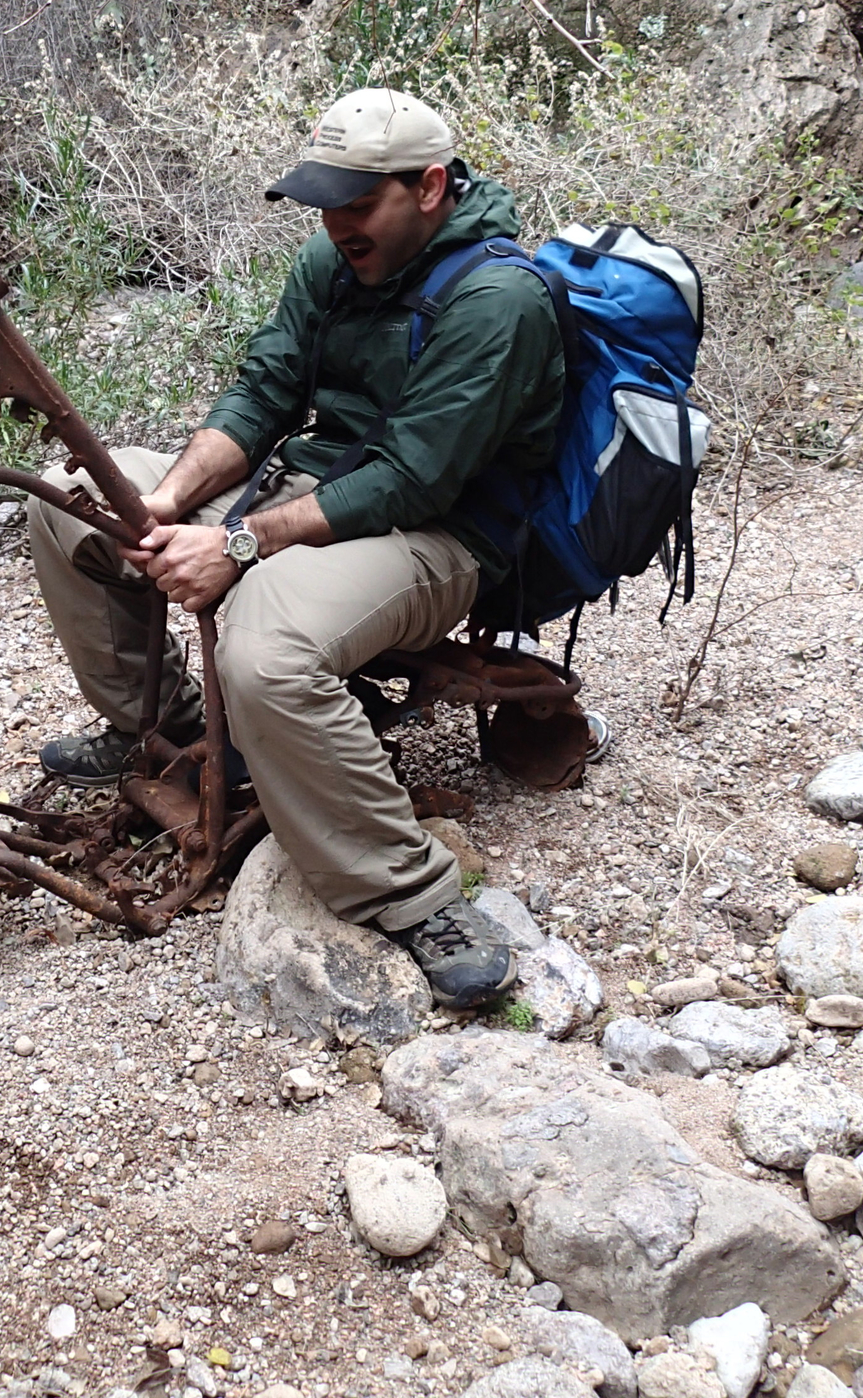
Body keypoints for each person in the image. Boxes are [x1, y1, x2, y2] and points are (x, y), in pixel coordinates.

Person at [28, 88, 566, 1007]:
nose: (335, 223)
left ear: (430, 186)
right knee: (71, 501)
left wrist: (235, 544)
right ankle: (168, 728)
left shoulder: (500, 301)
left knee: (269, 647)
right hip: (314, 491)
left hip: (438, 535)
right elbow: (263, 392)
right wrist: (161, 501)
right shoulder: (336, 259)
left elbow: (411, 480)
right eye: (326, 201)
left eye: (357, 203)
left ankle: (408, 891)